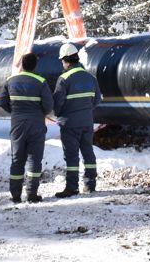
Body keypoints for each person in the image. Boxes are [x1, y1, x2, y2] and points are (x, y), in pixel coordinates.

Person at [0, 51, 53, 203]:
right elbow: (49, 105)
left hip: (17, 124)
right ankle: (31, 193)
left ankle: (15, 195)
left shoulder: (10, 80)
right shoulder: (41, 81)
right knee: (34, 158)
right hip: (36, 124)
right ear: (35, 66)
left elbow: (2, 102)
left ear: (22, 65)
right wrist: (38, 113)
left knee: (17, 158)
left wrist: (16, 112)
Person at [51, 41, 102, 197]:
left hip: (70, 123)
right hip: (87, 122)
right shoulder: (90, 77)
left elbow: (57, 104)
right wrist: (85, 110)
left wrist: (59, 115)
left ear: (66, 60)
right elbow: (97, 100)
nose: (62, 64)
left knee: (72, 156)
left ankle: (72, 187)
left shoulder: (63, 78)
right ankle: (90, 184)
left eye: (62, 61)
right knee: (88, 152)